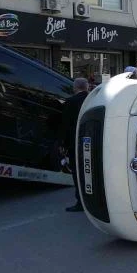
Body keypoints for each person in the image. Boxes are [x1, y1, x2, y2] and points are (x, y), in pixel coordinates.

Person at [62, 78, 90, 212]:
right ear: (86, 87)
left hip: (76, 143)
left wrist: (63, 144)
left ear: (75, 88)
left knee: (78, 174)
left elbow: (66, 126)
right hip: (93, 141)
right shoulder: (93, 99)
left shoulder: (70, 102)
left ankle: (81, 202)